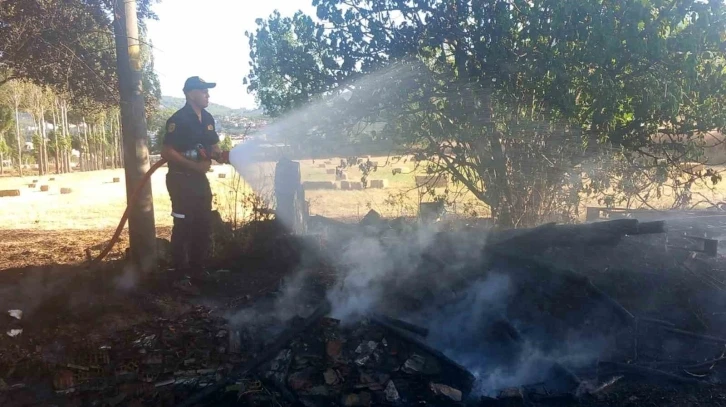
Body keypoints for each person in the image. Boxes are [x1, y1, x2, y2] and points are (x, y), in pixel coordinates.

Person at [160, 76, 228, 272]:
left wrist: (221, 155)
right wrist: (194, 166)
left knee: (203, 224)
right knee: (183, 226)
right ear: (190, 94)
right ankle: (181, 276)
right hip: (180, 180)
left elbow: (213, 146)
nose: (208, 94)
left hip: (199, 180)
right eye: (203, 91)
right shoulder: (178, 120)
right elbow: (167, 152)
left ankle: (198, 270)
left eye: (208, 91)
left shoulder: (207, 118)